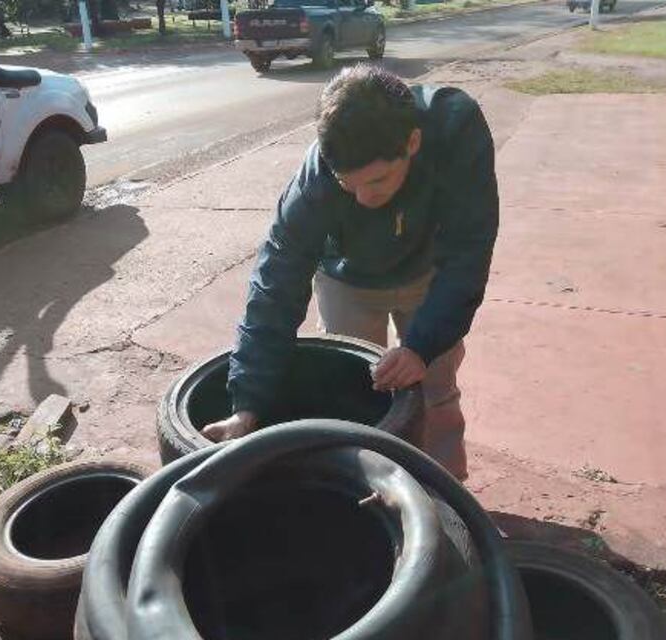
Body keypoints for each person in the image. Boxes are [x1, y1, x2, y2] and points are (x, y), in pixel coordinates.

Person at [202, 64, 498, 480]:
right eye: (348, 184)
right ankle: (368, 496)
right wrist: (246, 406)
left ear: (412, 143)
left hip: (428, 278)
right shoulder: (315, 183)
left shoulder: (454, 128)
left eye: (378, 181)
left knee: (434, 389)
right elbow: (274, 288)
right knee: (354, 393)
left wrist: (422, 345)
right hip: (347, 280)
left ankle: (450, 497)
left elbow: (469, 248)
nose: (363, 199)